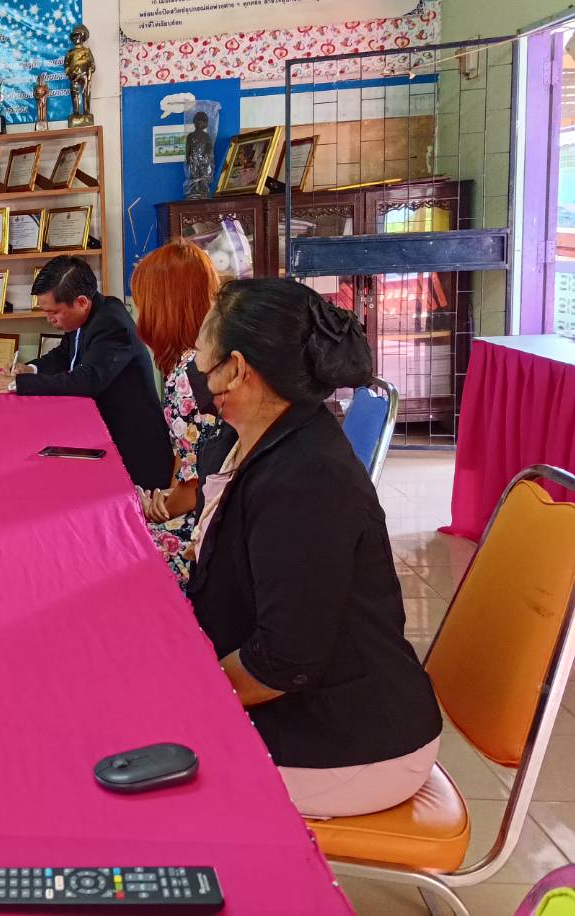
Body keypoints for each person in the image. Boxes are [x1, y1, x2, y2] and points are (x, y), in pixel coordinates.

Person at [187, 278, 441, 817]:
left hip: (350, 742)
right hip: (307, 703)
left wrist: (186, 698)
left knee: (130, 755)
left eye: (202, 356)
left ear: (237, 369)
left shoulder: (306, 479)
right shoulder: (258, 440)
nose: (196, 369)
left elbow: (283, 662)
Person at [0, 255, 171, 489]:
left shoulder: (112, 324)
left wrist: (17, 384)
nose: (49, 319)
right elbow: (65, 354)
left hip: (134, 449)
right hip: (100, 432)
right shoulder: (85, 316)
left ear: (82, 301)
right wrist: (29, 368)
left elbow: (86, 381)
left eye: (54, 312)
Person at [130, 239, 235, 584]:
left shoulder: (189, 375)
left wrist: (157, 509)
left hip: (207, 529)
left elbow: (201, 483)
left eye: (142, 304)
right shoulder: (203, 360)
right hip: (208, 510)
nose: (138, 315)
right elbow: (188, 459)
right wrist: (165, 497)